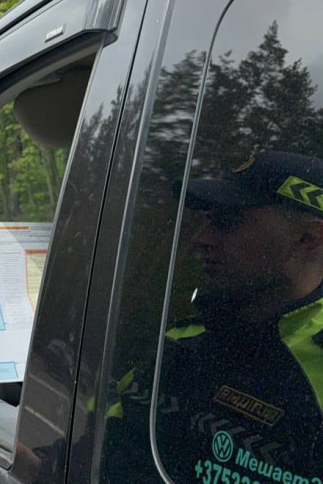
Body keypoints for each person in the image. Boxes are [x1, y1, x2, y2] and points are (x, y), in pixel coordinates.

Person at [106, 150, 323, 480]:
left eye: (227, 222)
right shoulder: (184, 345)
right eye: (207, 221)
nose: (201, 239)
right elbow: (92, 452)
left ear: (306, 239)